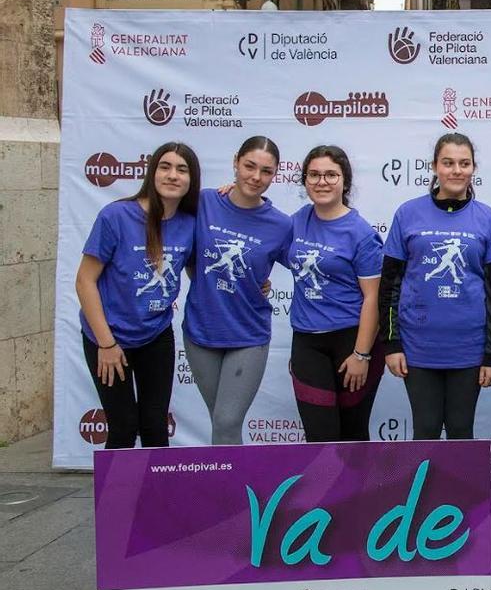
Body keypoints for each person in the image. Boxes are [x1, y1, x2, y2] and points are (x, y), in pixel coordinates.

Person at [379, 133, 491, 439]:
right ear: (434, 166)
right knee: (426, 428)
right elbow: (390, 284)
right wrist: (392, 343)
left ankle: (461, 490)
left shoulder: (488, 219)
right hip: (418, 347)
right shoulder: (407, 214)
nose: (456, 170)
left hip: (469, 348)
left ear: (473, 168)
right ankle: (426, 489)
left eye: (464, 163)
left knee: (462, 430)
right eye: (448, 163)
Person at [75, 142, 200, 449]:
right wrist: (106, 343)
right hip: (107, 336)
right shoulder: (116, 216)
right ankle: (117, 500)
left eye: (182, 170)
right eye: (165, 167)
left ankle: (157, 499)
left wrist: (257, 285)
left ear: (191, 180)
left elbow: (200, 275)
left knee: (155, 425)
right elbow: (84, 281)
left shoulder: (190, 224)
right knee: (123, 426)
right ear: (152, 172)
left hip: (155, 336)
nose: (173, 176)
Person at [183, 136, 292, 445]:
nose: (256, 177)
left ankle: (229, 493)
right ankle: (229, 490)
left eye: (266, 171)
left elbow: (313, 263)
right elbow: (184, 250)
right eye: (249, 166)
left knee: (227, 421)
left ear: (275, 175)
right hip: (200, 331)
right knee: (220, 421)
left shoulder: (281, 225)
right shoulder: (204, 202)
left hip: (248, 334)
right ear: (235, 162)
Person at [286, 145, 385, 442]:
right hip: (307, 343)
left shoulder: (361, 233)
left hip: (352, 341)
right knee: (320, 436)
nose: (322, 181)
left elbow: (373, 298)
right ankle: (326, 491)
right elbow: (257, 234)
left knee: (352, 436)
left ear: (345, 180)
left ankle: (359, 491)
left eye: (331, 174)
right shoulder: (294, 222)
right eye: (314, 175)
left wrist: (361, 354)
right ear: (305, 181)